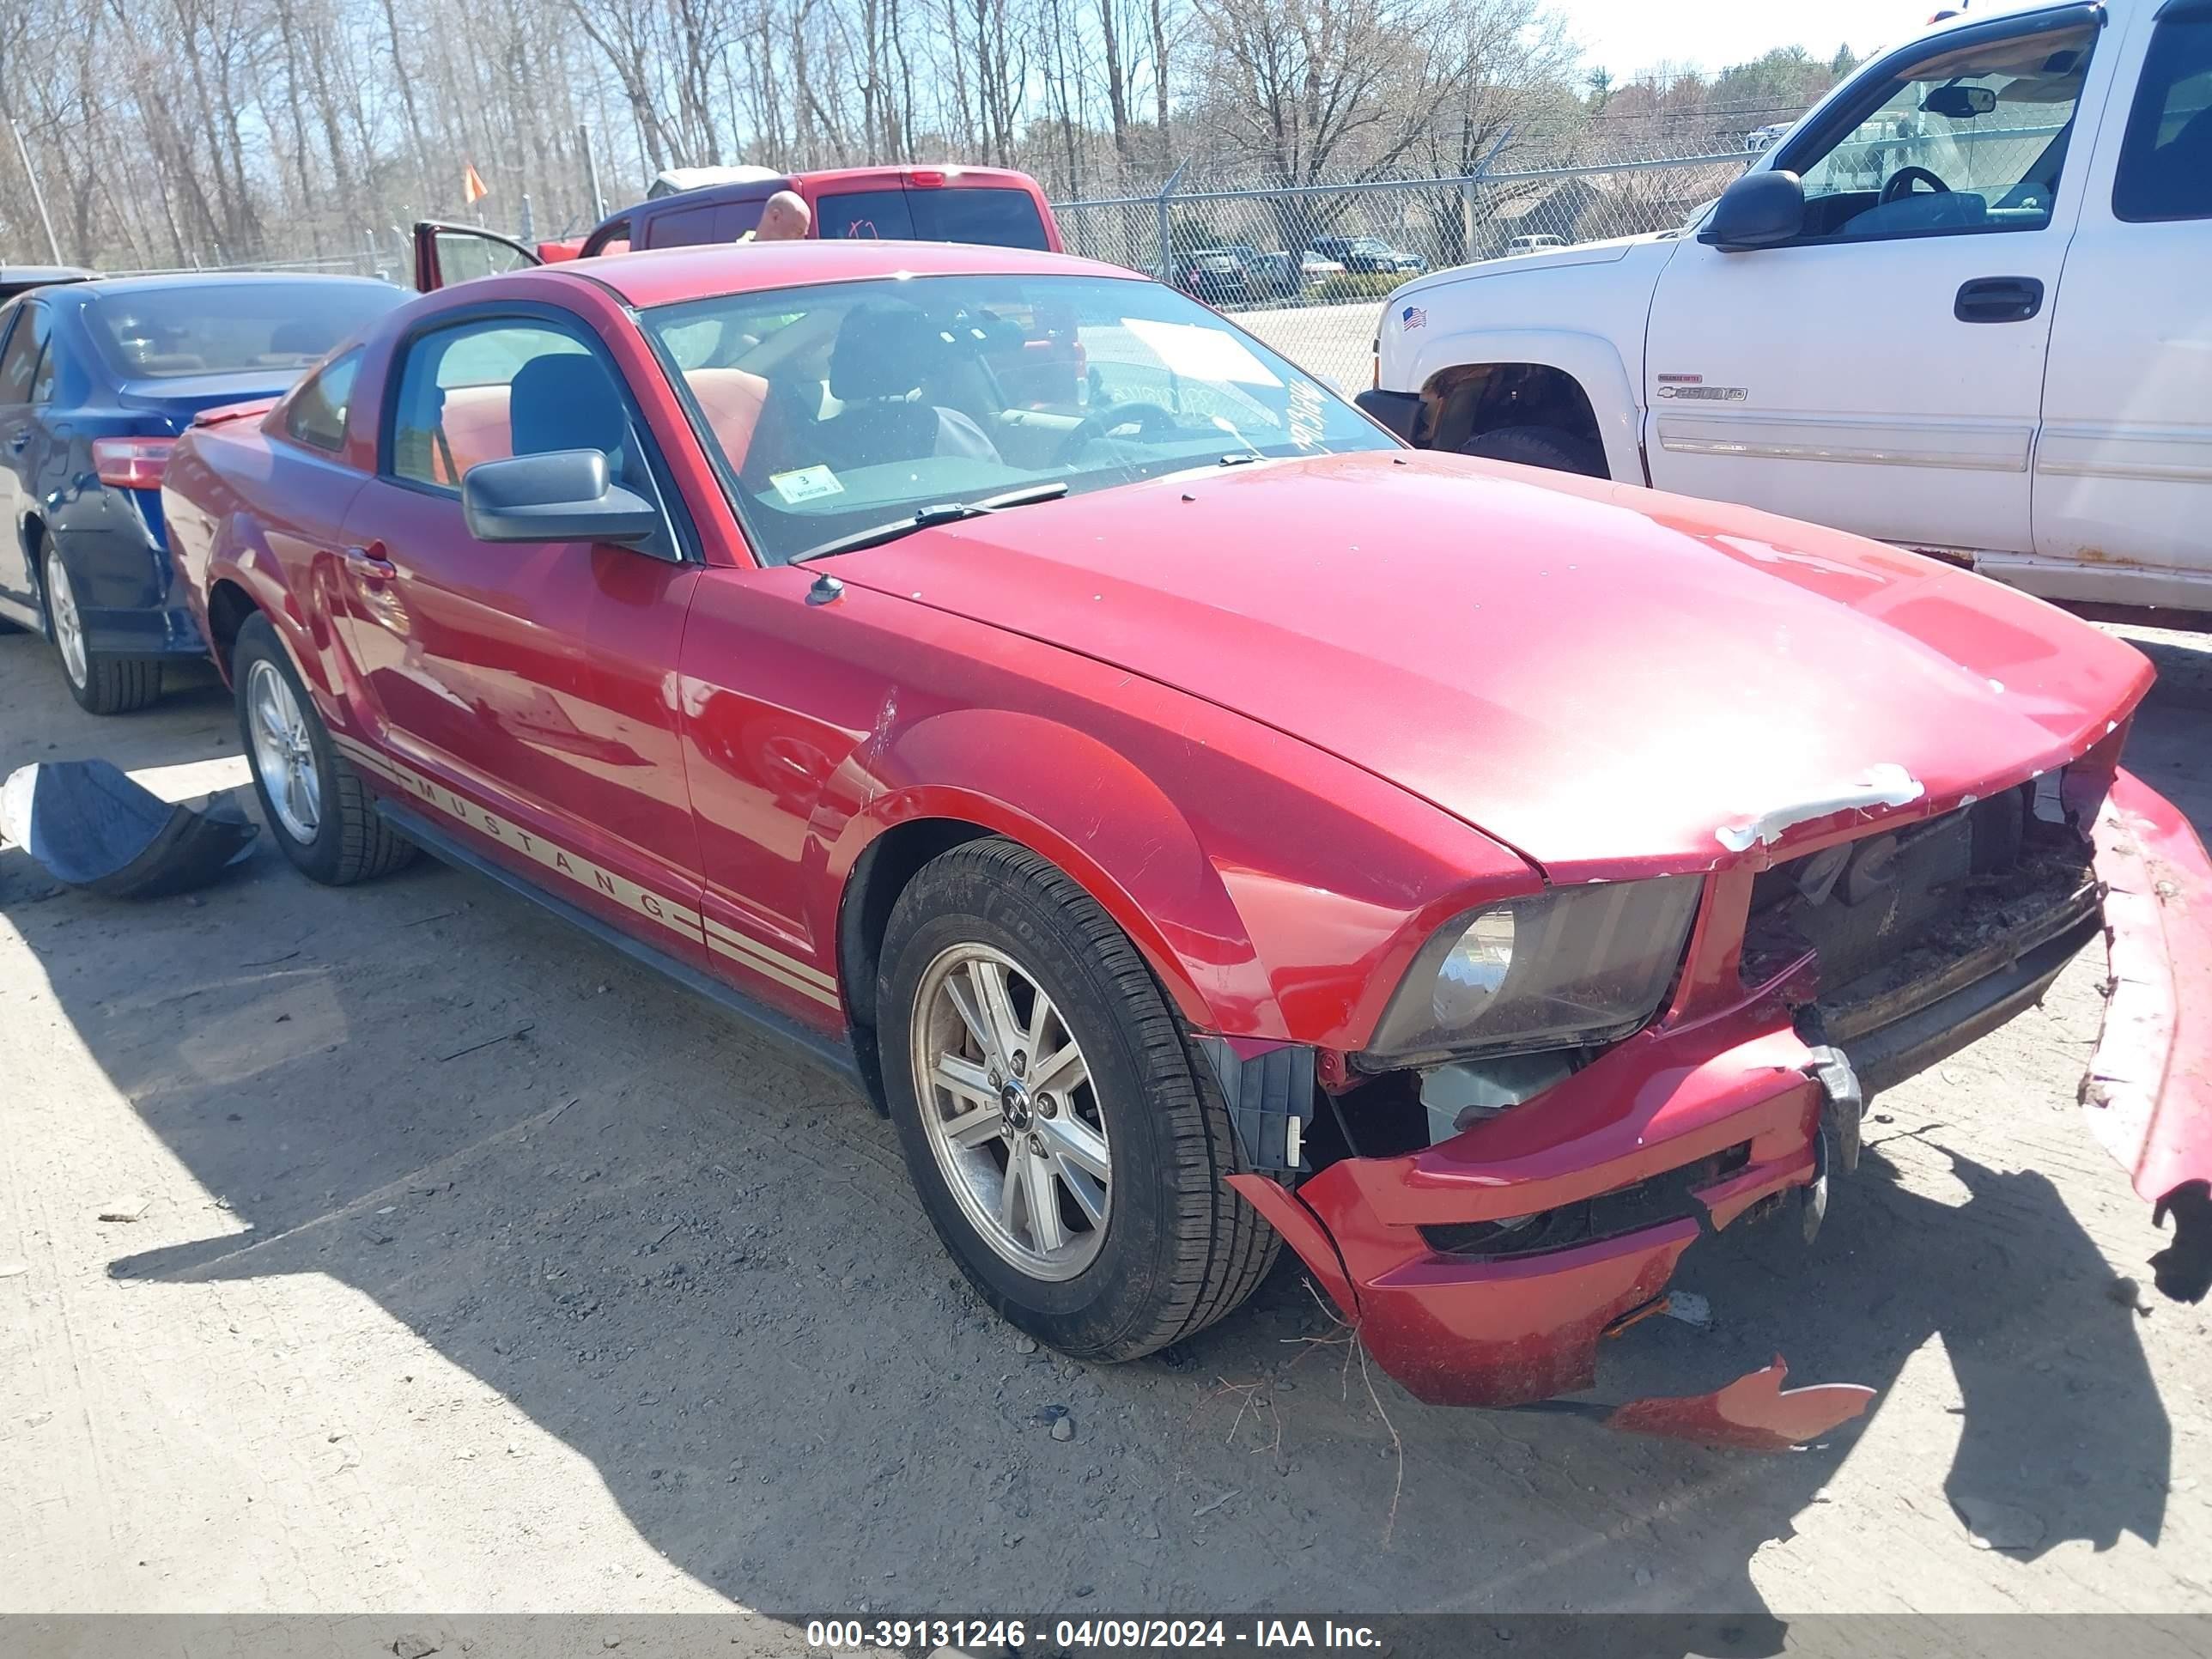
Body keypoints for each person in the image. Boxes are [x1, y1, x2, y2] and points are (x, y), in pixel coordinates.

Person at [739, 191, 811, 243]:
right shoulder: (738, 256)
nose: (801, 241)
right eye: (798, 231)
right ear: (775, 217)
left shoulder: (795, 259)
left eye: (804, 235)